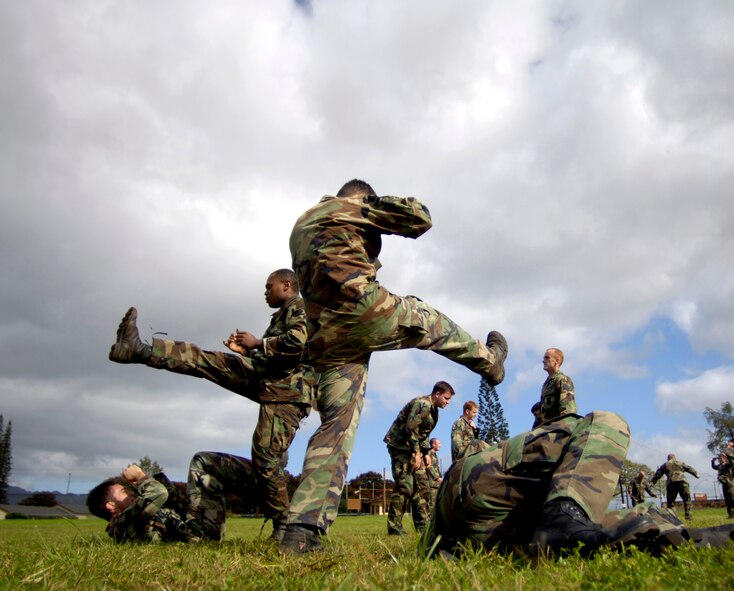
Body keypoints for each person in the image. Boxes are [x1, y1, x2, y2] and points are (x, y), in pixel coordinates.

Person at [281, 179, 508, 554]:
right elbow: (420, 217)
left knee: (336, 426)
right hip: (361, 309)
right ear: (358, 196)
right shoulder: (350, 207)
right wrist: (373, 204)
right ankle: (491, 363)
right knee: (427, 318)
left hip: (327, 333)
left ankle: (302, 529)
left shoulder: (303, 221)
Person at [422, 411, 734, 557]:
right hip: (483, 481)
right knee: (608, 421)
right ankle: (566, 515)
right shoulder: (546, 438)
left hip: (467, 533)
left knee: (612, 524)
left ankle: (675, 536)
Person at [107, 269, 309, 541]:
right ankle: (140, 350)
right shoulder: (284, 313)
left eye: (268, 286)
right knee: (208, 361)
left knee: (266, 458)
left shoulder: (299, 306)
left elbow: (298, 342)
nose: (265, 292)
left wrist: (258, 343)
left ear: (287, 285)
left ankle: (285, 527)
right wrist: (248, 351)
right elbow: (279, 355)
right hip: (270, 381)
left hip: (287, 391)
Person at [87, 452, 264, 543]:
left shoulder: (129, 521)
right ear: (111, 506)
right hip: (199, 535)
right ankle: (267, 475)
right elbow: (159, 493)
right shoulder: (122, 522)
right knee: (201, 461)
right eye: (123, 492)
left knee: (209, 474)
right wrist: (141, 477)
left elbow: (168, 500)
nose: (131, 492)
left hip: (196, 531)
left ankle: (267, 480)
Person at [383, 382, 454, 535]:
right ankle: (395, 528)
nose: (448, 402)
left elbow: (423, 434)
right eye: (446, 398)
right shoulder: (423, 404)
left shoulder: (434, 411)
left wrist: (426, 452)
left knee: (422, 485)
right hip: (401, 446)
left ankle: (424, 528)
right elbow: (411, 427)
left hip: (415, 449)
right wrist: (416, 453)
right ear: (437, 394)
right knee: (405, 486)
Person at [651, 454, 699, 520]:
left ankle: (674, 519)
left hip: (671, 483)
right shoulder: (680, 463)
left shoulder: (665, 464)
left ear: (668, 459)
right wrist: (696, 474)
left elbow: (658, 474)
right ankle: (689, 517)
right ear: (675, 458)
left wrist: (653, 481)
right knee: (687, 500)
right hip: (683, 482)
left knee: (671, 503)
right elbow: (689, 468)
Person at [537, 348, 576, 424]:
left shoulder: (562, 379)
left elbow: (568, 411)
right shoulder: (547, 383)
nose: (543, 361)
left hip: (557, 429)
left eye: (547, 357)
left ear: (557, 361)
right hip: (545, 429)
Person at [711, 453, 734, 519]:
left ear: (725, 458)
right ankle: (731, 514)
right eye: (720, 458)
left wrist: (729, 456)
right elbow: (714, 467)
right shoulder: (719, 466)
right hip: (724, 485)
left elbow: (732, 463)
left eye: (722, 458)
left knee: (732, 499)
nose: (720, 459)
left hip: (729, 484)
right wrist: (712, 461)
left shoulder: (727, 465)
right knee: (727, 500)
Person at [426, 438, 443, 511]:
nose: (440, 445)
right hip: (432, 483)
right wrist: (437, 477)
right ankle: (430, 520)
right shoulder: (429, 453)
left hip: (436, 484)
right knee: (432, 504)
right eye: (439, 443)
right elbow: (429, 467)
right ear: (433, 444)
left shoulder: (434, 454)